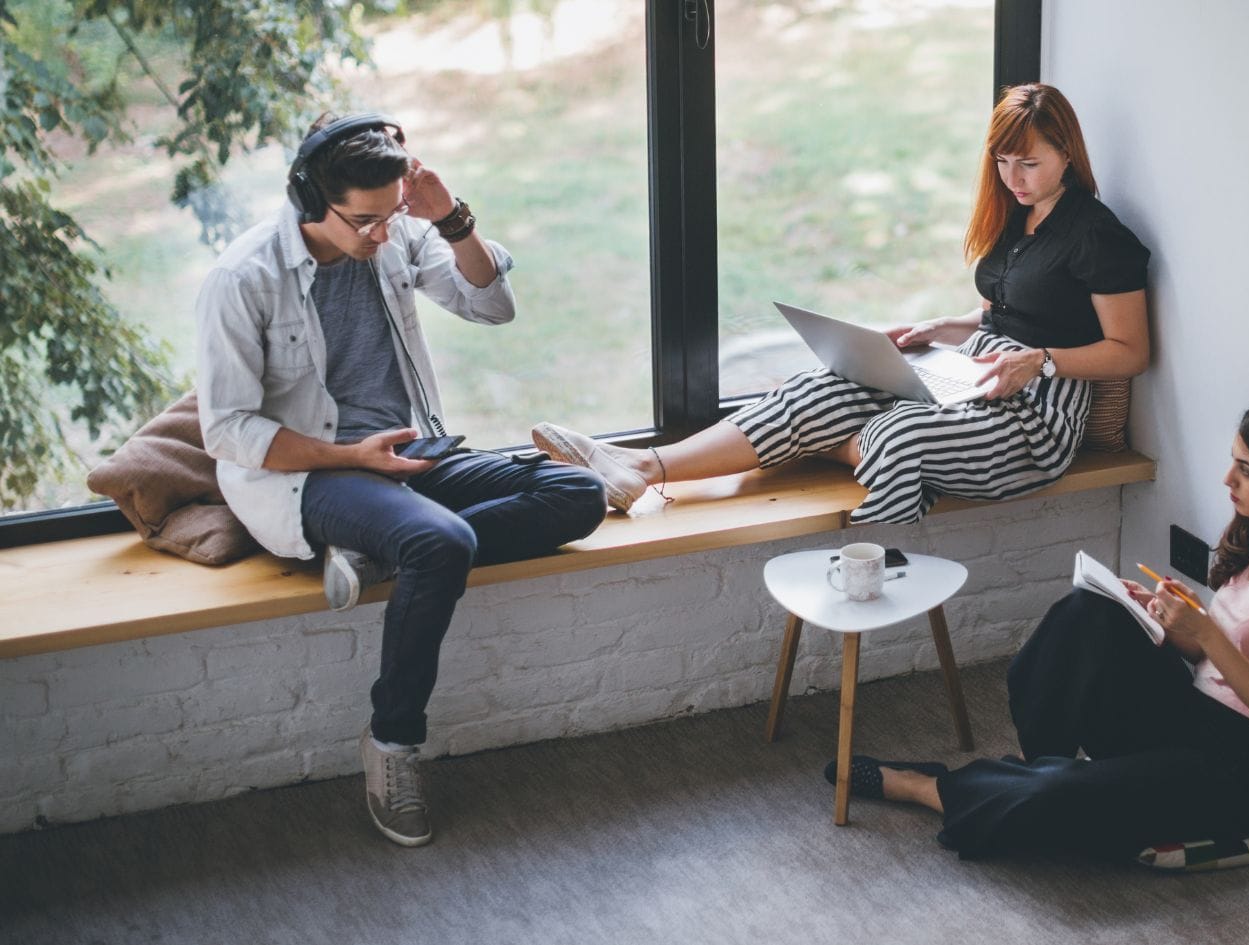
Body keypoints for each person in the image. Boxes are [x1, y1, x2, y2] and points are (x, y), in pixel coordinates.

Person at [195, 112, 608, 847]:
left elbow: (492, 304)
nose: (381, 236)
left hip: (409, 451)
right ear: (307, 198)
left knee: (579, 492)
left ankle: (390, 547)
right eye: (364, 221)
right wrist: (356, 459)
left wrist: (448, 217)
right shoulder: (244, 277)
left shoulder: (395, 228)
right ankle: (391, 742)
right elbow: (228, 430)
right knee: (443, 542)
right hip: (311, 471)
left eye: (392, 216)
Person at [530, 83, 1150, 524]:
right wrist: (947, 326)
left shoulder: (1099, 236)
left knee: (895, 434)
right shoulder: (1023, 216)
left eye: (1031, 163)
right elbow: (1008, 312)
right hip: (980, 374)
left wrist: (1038, 362)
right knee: (815, 389)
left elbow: (1130, 351)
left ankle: (874, 556)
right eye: (1004, 161)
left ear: (1068, 152)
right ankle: (642, 466)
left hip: (1037, 414)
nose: (1014, 178)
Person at [828, 395, 1249, 860]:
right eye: (1233, 461)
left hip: (1245, 764)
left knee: (1055, 802)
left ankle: (931, 786)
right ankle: (1042, 759)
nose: (1227, 479)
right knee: (1089, 611)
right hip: (1194, 714)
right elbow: (1216, 659)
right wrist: (1161, 619)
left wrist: (1207, 632)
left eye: (1247, 470)